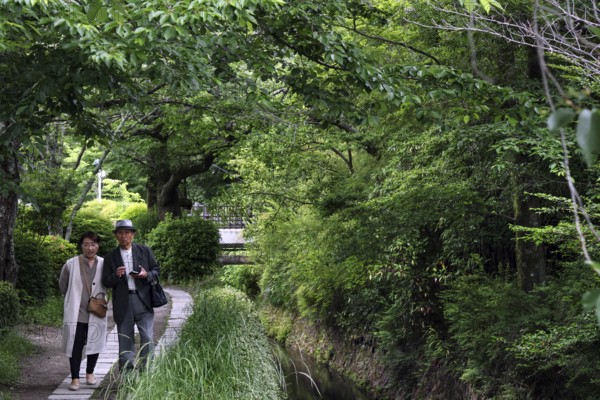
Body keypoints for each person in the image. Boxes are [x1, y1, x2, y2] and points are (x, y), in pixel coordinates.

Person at [102, 219, 160, 373]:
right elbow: (106, 281)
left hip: (143, 300)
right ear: (116, 236)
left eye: (127, 232)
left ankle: (146, 371)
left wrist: (145, 274)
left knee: (147, 337)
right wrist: (115, 275)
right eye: (120, 233)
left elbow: (156, 270)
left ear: (133, 234)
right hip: (123, 302)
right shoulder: (110, 257)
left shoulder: (144, 251)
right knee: (125, 339)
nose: (123, 236)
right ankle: (127, 375)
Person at [59, 231, 107, 391]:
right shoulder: (71, 264)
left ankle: (90, 374)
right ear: (81, 246)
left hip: (96, 311)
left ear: (98, 246)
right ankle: (74, 378)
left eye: (93, 244)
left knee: (95, 342)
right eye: (86, 244)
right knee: (75, 344)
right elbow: (62, 285)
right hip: (77, 312)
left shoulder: (104, 263)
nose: (90, 248)